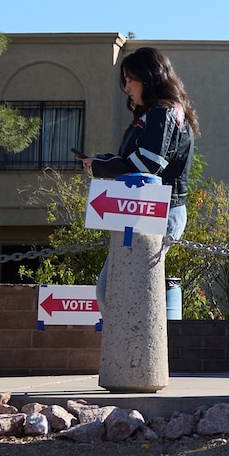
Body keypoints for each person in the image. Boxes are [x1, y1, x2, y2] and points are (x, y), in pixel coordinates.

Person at [81, 46, 198, 293]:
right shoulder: (163, 113)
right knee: (117, 292)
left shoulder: (162, 113)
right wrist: (102, 161)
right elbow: (140, 161)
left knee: (120, 293)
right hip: (149, 209)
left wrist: (101, 165)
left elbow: (146, 167)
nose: (127, 88)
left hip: (156, 210)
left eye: (130, 80)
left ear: (148, 77)